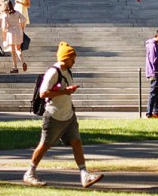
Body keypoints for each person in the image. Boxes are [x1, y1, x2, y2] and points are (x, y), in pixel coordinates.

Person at [21, 42, 103, 188]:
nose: (74, 61)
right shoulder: (54, 72)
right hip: (54, 116)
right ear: (65, 58)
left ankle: (85, 175)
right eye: (72, 58)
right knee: (45, 145)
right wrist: (65, 92)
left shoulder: (67, 71)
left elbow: (65, 92)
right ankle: (30, 172)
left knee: (76, 142)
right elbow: (43, 93)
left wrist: (69, 100)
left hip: (68, 115)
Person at [143, 29, 158, 118]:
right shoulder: (153, 45)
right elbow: (154, 60)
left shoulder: (152, 44)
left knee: (157, 93)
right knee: (153, 93)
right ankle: (149, 113)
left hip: (155, 72)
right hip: (154, 72)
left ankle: (155, 111)